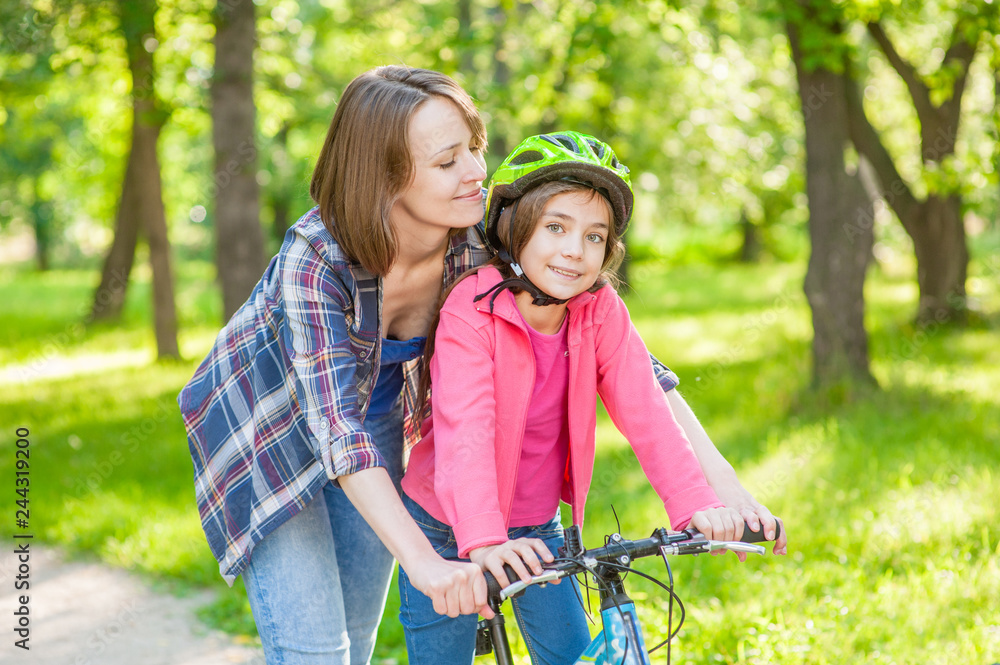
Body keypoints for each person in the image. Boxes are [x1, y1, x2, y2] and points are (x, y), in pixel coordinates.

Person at [178, 66, 783, 665]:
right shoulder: (317, 259)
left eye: (472, 148)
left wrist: (725, 493)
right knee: (315, 651)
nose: (475, 173)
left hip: (375, 417)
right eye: (447, 162)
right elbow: (337, 430)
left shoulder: (474, 243)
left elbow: (636, 374)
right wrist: (431, 565)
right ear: (384, 178)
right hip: (267, 428)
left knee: (356, 644)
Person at [396, 131, 766, 665]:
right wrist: (483, 540)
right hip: (445, 523)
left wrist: (698, 504)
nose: (575, 250)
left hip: (537, 524)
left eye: (595, 237)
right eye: (555, 228)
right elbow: (466, 434)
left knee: (573, 656)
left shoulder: (600, 311)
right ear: (513, 229)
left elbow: (647, 411)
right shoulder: (471, 309)